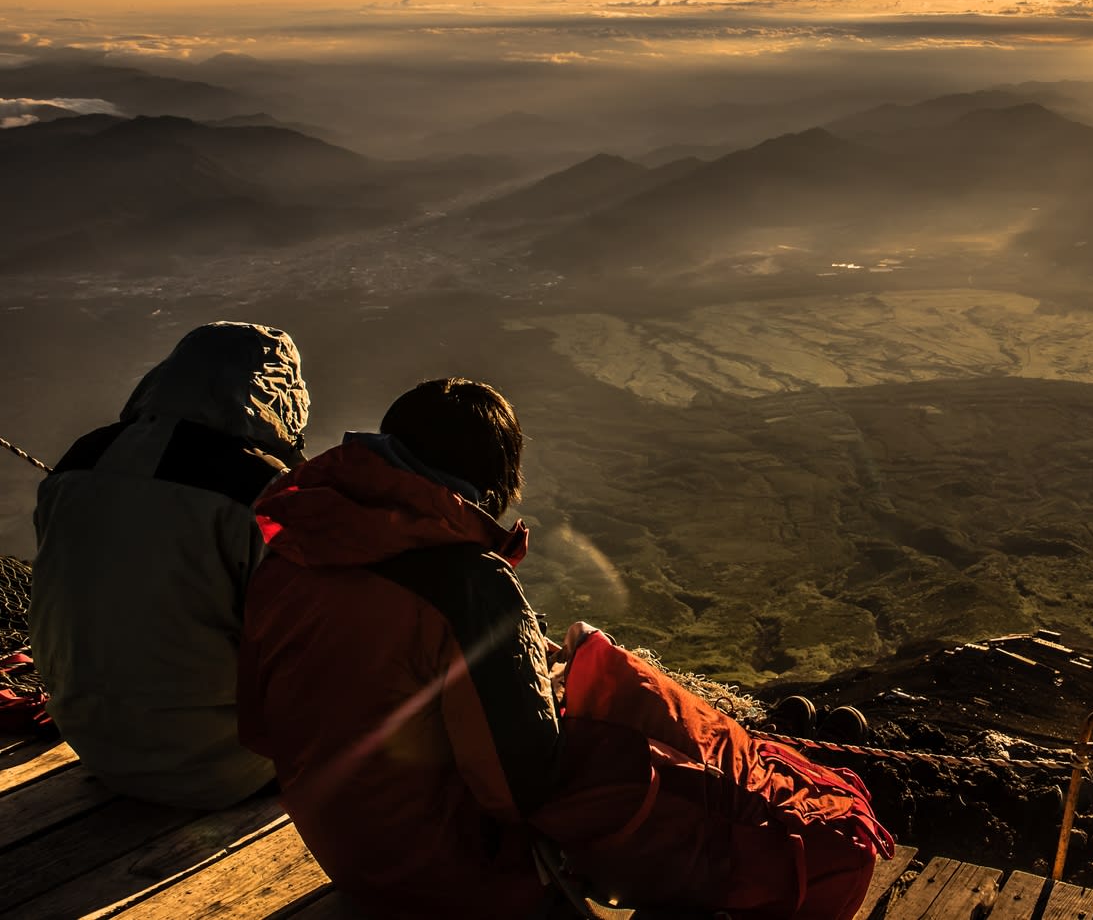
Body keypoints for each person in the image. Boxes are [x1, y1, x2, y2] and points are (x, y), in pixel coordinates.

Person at [239, 377, 888, 920]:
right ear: (497, 479)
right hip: (447, 877)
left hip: (342, 843)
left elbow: (264, 721)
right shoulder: (466, 586)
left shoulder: (297, 549)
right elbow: (525, 780)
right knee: (652, 790)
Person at [29, 320, 309, 808]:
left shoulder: (80, 460)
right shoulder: (260, 489)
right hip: (225, 766)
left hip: (95, 744)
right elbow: (298, 641)